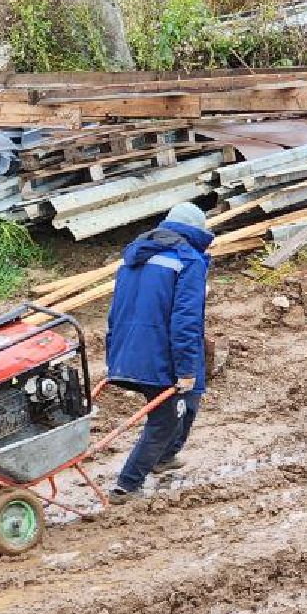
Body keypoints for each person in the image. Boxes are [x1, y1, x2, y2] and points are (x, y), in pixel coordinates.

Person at [104, 201, 212, 498]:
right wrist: (187, 369)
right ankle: (126, 486)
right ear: (197, 232)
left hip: (127, 351)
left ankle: (164, 459)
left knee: (189, 401)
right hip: (159, 354)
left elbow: (115, 311)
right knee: (165, 419)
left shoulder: (134, 256)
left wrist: (112, 355)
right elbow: (186, 321)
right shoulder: (188, 261)